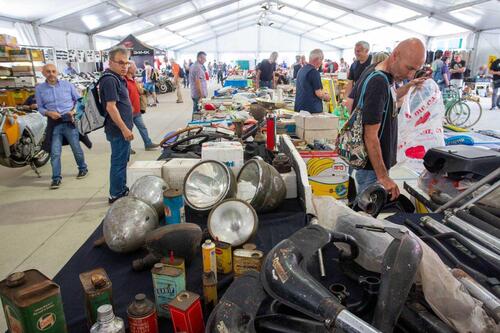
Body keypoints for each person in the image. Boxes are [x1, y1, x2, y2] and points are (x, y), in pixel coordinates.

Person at [350, 38, 426, 200]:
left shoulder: (377, 72)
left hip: (369, 166)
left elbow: (387, 99)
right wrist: (383, 176)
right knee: (365, 215)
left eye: (416, 70)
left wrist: (409, 85)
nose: (410, 74)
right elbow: (370, 136)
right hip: (372, 168)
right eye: (409, 68)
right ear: (395, 55)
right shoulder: (378, 82)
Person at [35, 64, 88, 189]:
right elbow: (40, 108)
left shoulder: (67, 85)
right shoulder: (39, 89)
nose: (51, 74)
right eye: (48, 71)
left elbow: (80, 101)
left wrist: (74, 111)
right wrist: (48, 113)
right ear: (43, 73)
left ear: (57, 72)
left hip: (69, 122)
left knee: (76, 148)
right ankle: (56, 178)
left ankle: (83, 168)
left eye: (53, 71)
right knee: (55, 152)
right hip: (54, 124)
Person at [99, 47, 134, 204]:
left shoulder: (118, 77)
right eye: (120, 62)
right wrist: (124, 128)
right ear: (110, 62)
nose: (124, 66)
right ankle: (116, 194)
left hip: (122, 129)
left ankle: (121, 188)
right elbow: (111, 107)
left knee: (122, 160)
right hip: (118, 130)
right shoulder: (109, 80)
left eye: (126, 62)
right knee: (118, 162)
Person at [125, 61, 159, 152]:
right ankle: (127, 149)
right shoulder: (124, 81)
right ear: (129, 68)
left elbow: (140, 91)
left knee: (142, 127)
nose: (136, 68)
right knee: (128, 130)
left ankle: (148, 143)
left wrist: (142, 88)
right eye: (134, 66)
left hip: (137, 110)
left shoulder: (133, 80)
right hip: (129, 111)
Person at [294, 49, 330, 114]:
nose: (321, 62)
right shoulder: (314, 72)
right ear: (317, 59)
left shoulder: (301, 70)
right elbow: (318, 93)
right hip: (311, 110)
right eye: (321, 60)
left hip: (299, 108)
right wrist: (326, 97)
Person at [189, 51, 208, 116]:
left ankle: (195, 124)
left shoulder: (195, 66)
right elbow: (198, 82)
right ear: (199, 58)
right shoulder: (197, 67)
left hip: (196, 94)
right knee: (197, 114)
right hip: (198, 95)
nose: (205, 60)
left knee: (196, 112)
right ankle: (195, 125)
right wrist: (201, 96)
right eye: (204, 59)